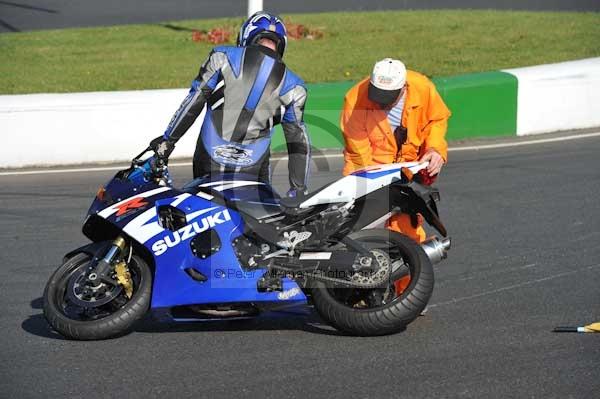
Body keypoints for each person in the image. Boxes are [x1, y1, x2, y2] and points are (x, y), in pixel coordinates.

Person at [149, 12, 310, 196]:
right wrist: (298, 189)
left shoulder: (221, 57)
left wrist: (167, 142)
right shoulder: (296, 88)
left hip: (209, 159)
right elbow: (298, 141)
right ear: (281, 46)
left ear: (246, 35)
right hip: (255, 168)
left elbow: (194, 101)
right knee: (256, 222)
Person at [340, 58, 451, 243]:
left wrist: (435, 149)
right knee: (351, 229)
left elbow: (437, 120)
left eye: (388, 98)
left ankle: (412, 268)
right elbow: (357, 153)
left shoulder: (422, 88)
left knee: (406, 232)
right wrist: (359, 192)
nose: (381, 103)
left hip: (411, 167)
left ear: (403, 88)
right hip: (373, 168)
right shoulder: (355, 100)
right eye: (377, 95)